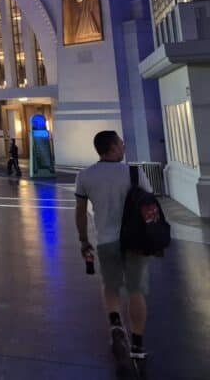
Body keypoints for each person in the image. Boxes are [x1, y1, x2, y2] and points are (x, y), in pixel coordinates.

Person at [75, 131, 154, 373]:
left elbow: (79, 212)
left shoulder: (85, 176)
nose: (123, 147)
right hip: (134, 242)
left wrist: (84, 241)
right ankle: (138, 345)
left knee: (110, 286)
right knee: (136, 289)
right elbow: (150, 206)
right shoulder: (133, 172)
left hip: (105, 241)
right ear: (112, 148)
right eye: (120, 143)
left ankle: (115, 324)